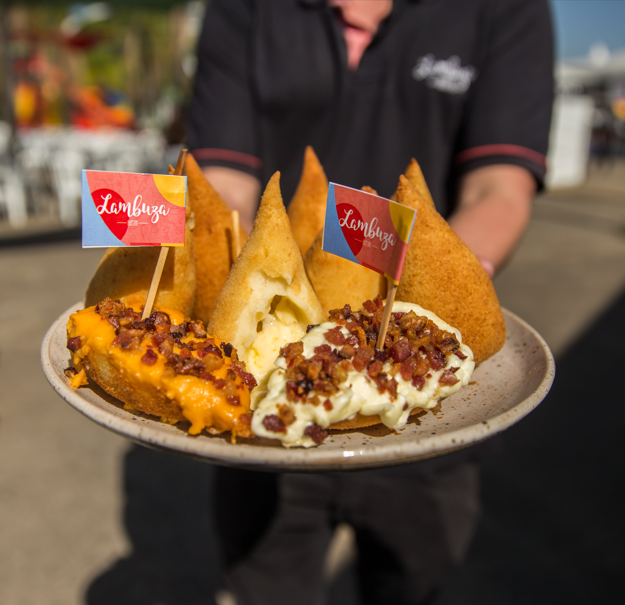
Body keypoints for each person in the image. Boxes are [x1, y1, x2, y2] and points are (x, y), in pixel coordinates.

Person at [187, 1, 553, 603]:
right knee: (263, 583)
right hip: (266, 406)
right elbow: (223, 178)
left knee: (414, 581)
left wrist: (442, 304)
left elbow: (499, 185)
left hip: (426, 415)